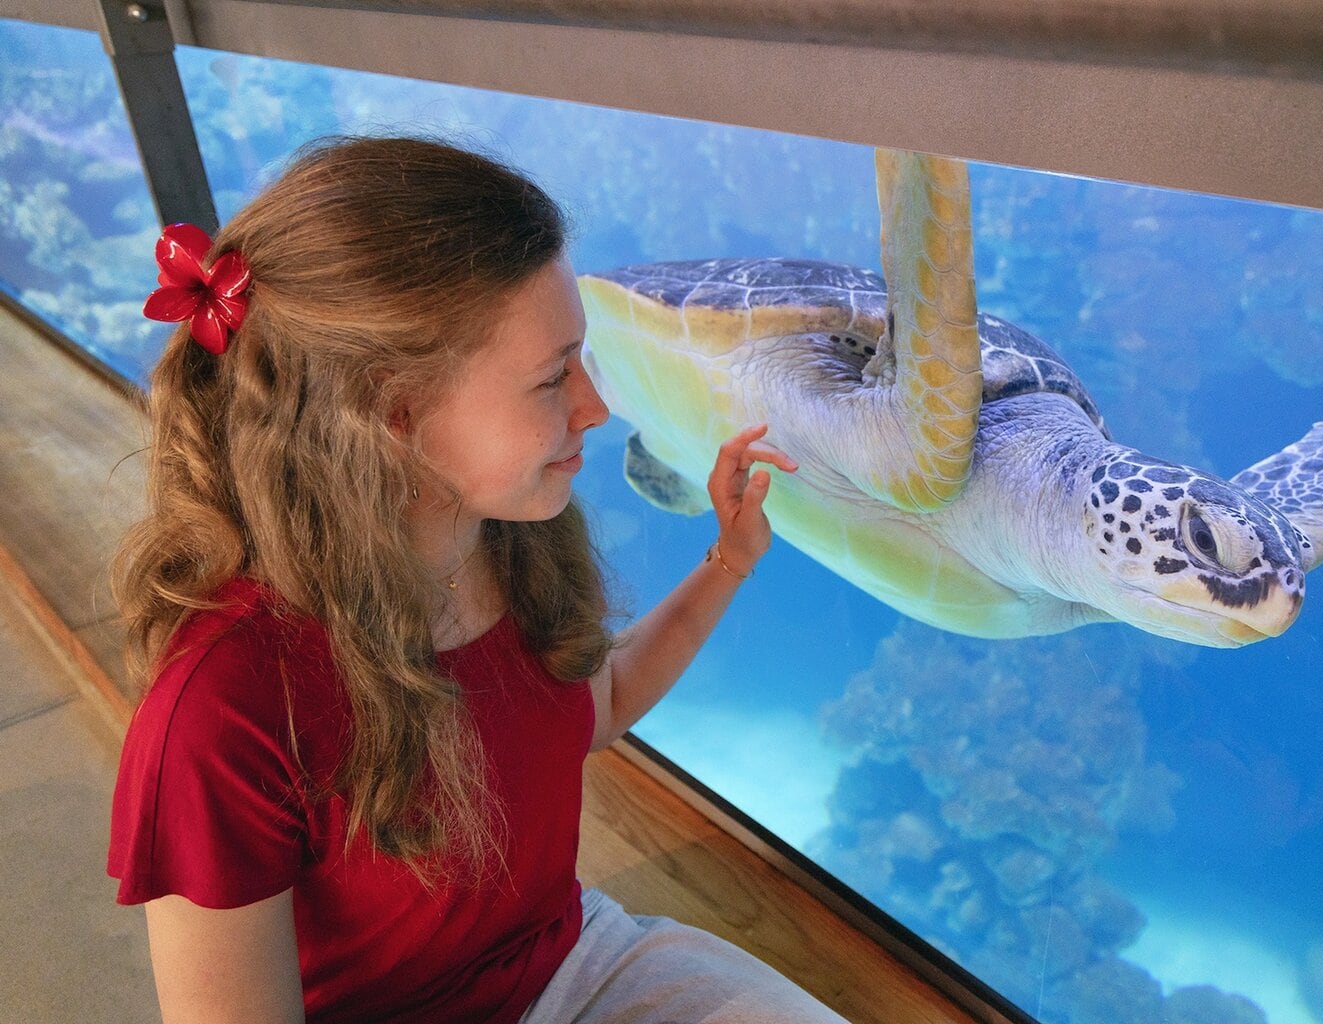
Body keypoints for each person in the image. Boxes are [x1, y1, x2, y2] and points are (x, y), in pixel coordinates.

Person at [108, 135, 847, 1024]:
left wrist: (728, 560)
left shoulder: (506, 541)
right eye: (550, 378)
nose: (594, 407)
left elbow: (595, 706)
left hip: (574, 963)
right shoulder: (222, 707)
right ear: (392, 412)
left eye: (580, 358)